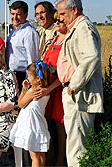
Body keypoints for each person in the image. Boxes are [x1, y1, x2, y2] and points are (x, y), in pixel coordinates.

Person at [55, 0, 104, 167]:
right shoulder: (76, 27)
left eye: (62, 13)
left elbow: (91, 57)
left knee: (78, 149)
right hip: (75, 94)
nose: (59, 18)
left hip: (78, 94)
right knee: (75, 144)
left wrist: (73, 85)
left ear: (74, 10)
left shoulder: (83, 27)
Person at [36, 12, 67, 166]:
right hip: (48, 87)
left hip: (58, 87)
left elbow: (65, 71)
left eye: (60, 20)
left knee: (60, 126)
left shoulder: (67, 40)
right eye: (55, 20)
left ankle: (61, 161)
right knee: (48, 124)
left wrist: (49, 89)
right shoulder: (55, 38)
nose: (57, 22)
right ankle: (50, 156)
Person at [9, 59, 51, 167]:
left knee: (34, 156)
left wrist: (24, 89)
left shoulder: (33, 90)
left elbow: (20, 104)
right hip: (39, 123)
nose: (27, 78)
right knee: (40, 154)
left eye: (29, 76)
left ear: (37, 79)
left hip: (31, 125)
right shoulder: (44, 89)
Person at [5, 0, 39, 91]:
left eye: (18, 14)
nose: (14, 17)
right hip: (11, 75)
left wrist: (29, 80)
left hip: (23, 76)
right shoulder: (13, 31)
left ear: (26, 15)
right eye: (12, 14)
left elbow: (32, 59)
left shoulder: (29, 33)